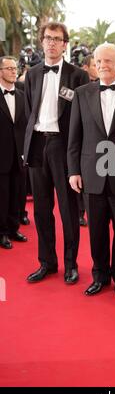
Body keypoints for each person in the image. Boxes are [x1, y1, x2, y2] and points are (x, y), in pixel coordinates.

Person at [24, 22, 89, 284]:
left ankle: (71, 264)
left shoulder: (77, 76)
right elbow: (30, 111)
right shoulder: (32, 74)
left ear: (65, 44)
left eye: (57, 39)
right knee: (41, 209)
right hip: (38, 144)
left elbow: (81, 118)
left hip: (64, 146)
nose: (51, 43)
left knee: (68, 209)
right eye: (47, 38)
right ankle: (47, 262)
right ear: (42, 42)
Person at [68, 43, 115, 296]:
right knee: (95, 229)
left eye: (108, 61)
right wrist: (73, 170)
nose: (103, 65)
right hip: (91, 172)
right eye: (98, 61)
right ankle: (99, 275)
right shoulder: (82, 93)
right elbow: (74, 136)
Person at [0, 56, 27, 249]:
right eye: (8, 68)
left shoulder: (22, 95)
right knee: (1, 195)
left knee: (17, 194)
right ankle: (1, 232)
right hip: (1, 154)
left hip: (19, 155)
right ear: (0, 72)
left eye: (14, 68)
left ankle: (13, 227)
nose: (13, 71)